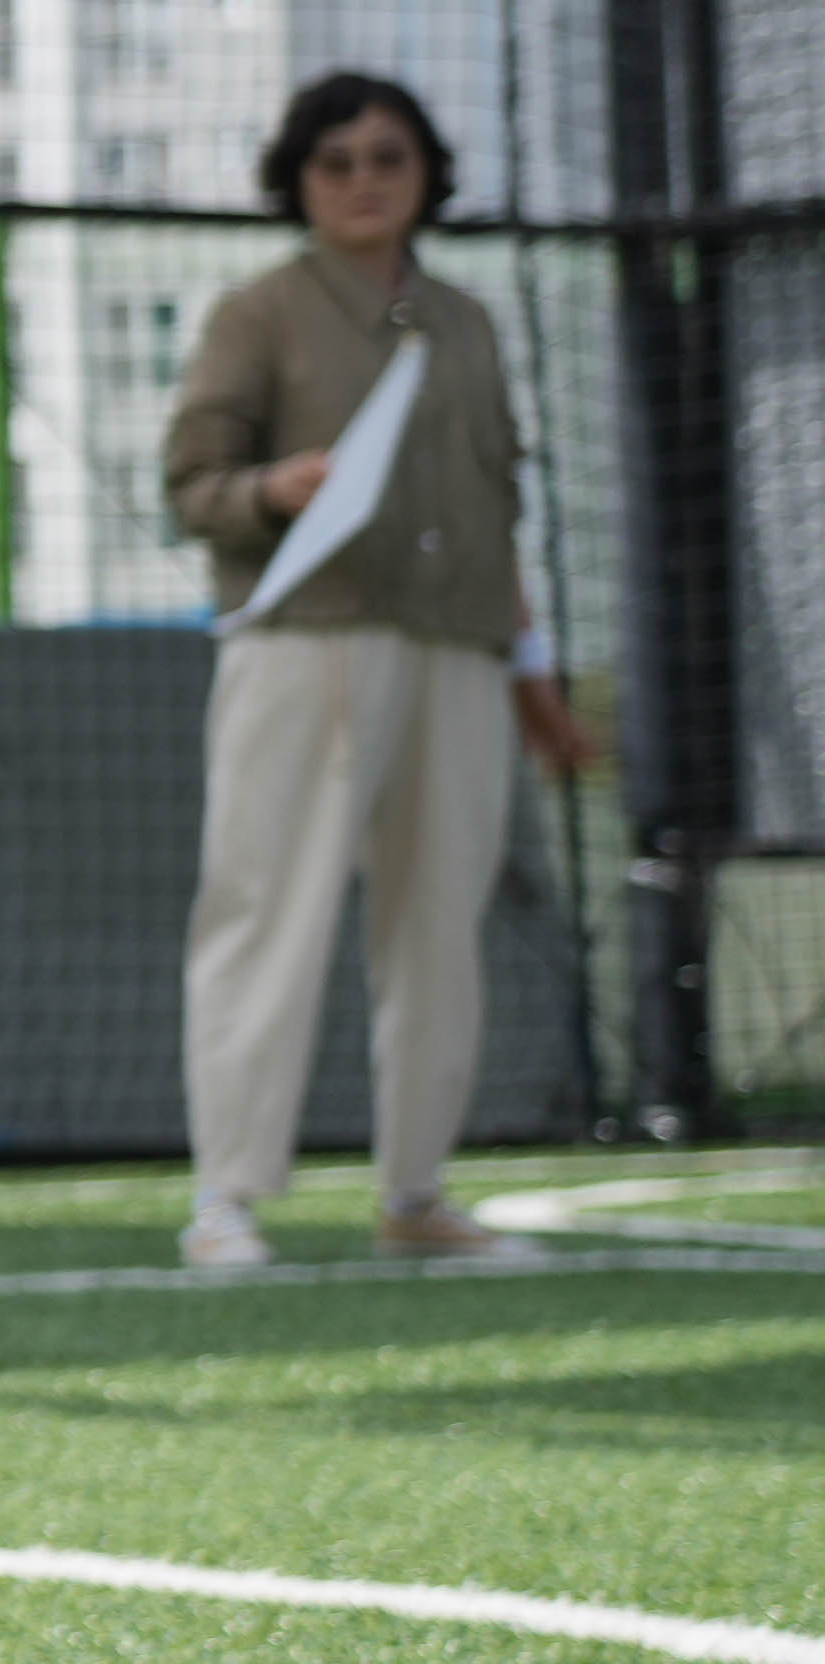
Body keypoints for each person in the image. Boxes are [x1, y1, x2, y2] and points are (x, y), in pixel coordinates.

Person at [160, 71, 599, 1271]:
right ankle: (227, 1196)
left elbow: (496, 517)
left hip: (458, 653)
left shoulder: (467, 322)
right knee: (269, 903)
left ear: (426, 173)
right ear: (298, 180)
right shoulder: (258, 313)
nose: (364, 180)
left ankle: (416, 1192)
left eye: (388, 157)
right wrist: (273, 489)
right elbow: (193, 485)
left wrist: (533, 679)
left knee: (440, 917)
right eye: (337, 160)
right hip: (307, 644)